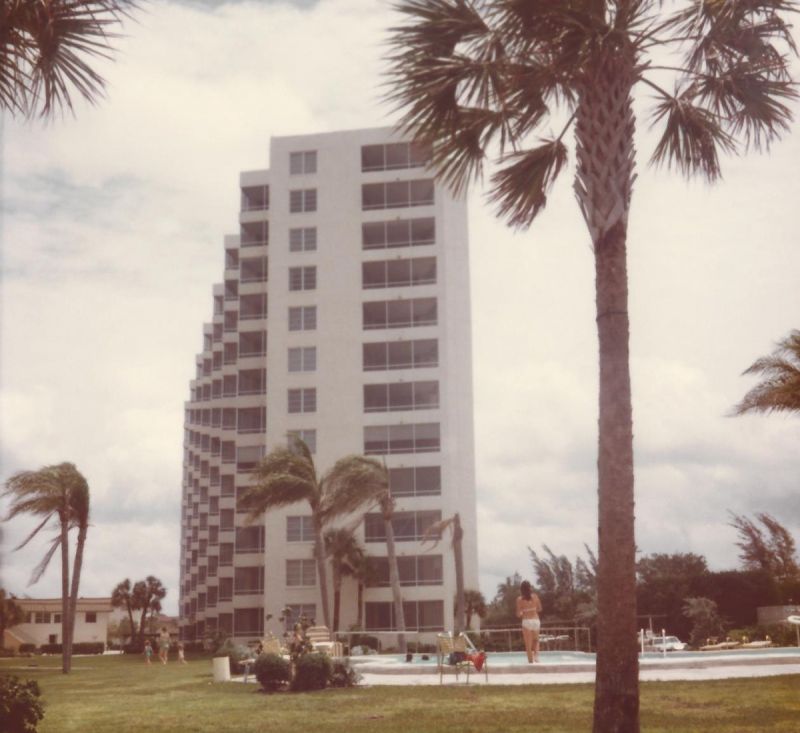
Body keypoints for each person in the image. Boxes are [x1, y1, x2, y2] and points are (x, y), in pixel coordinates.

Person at [516, 579, 543, 663]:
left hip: (526, 621)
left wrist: (523, 612)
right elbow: (540, 609)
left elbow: (518, 614)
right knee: (536, 640)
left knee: (528, 645)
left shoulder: (519, 599)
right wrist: (532, 609)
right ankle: (536, 658)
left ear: (521, 589)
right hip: (536, 620)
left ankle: (531, 662)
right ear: (530, 588)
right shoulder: (535, 596)